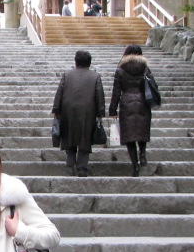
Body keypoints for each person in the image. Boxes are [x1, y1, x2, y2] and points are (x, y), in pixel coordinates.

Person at [51, 50, 105, 177]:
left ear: (76, 61)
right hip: (88, 110)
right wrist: (100, 111)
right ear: (89, 62)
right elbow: (99, 95)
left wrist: (56, 109)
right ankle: (82, 167)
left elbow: (60, 92)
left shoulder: (67, 74)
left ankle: (70, 162)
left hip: (68, 109)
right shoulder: (95, 76)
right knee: (85, 137)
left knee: (68, 134)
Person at [109, 44, 154, 177]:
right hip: (143, 102)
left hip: (126, 102)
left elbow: (116, 92)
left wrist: (112, 110)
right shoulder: (145, 68)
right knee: (142, 130)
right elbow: (152, 85)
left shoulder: (120, 69)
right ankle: (143, 154)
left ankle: (135, 166)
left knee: (129, 136)